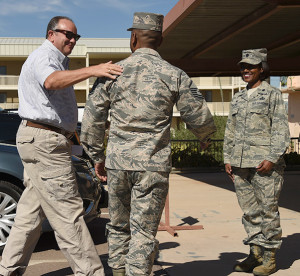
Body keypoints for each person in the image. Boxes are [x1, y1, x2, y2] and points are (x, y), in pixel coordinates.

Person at [80, 12, 216, 276]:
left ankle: (118, 271)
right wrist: (206, 137)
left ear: (133, 38)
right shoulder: (174, 74)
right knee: (143, 231)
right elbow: (198, 113)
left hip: (118, 164)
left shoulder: (112, 73)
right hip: (152, 166)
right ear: (160, 40)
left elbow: (92, 120)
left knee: (119, 225)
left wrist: (97, 157)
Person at [0, 16, 123, 276]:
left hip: (42, 140)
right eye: (66, 34)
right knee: (69, 214)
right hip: (45, 142)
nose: (72, 40)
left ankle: (8, 270)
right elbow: (51, 81)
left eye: (75, 36)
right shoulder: (45, 57)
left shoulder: (53, 60)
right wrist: (93, 70)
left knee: (30, 215)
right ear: (50, 34)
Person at [223, 48, 290, 276]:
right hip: (240, 166)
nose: (246, 70)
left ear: (261, 69)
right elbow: (230, 130)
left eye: (251, 66)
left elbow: (281, 129)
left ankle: (270, 258)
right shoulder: (239, 97)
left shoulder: (272, 95)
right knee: (250, 212)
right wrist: (227, 158)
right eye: (243, 66)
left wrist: (272, 158)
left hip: (264, 165)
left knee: (268, 211)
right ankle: (255, 254)